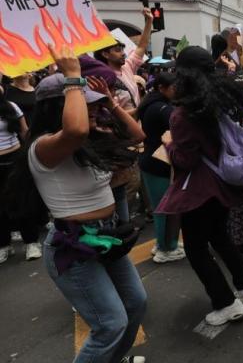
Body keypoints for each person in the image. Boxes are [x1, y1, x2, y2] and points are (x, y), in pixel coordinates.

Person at [16, 45, 147, 362]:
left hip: (105, 235)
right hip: (72, 246)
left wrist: (112, 104)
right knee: (110, 324)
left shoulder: (89, 140)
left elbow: (137, 134)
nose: (92, 111)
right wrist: (73, 76)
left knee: (136, 303)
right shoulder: (43, 147)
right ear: (57, 107)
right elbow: (74, 128)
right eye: (84, 104)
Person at [157, 47, 243, 326]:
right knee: (220, 237)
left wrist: (169, 144)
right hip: (224, 183)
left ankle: (226, 303)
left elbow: (186, 160)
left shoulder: (182, 114)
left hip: (199, 190)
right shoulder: (221, 102)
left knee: (196, 248)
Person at [137, 72, 185, 263]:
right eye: (174, 87)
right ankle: (166, 249)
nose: (177, 90)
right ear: (161, 88)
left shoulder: (152, 103)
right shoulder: (161, 108)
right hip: (159, 163)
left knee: (161, 206)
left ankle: (163, 243)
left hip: (151, 161)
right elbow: (180, 123)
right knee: (165, 207)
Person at [0, 85, 32, 262]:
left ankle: (31, 242)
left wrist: (29, 154)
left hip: (13, 159)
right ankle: (4, 245)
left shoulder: (11, 106)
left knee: (20, 201)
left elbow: (24, 131)